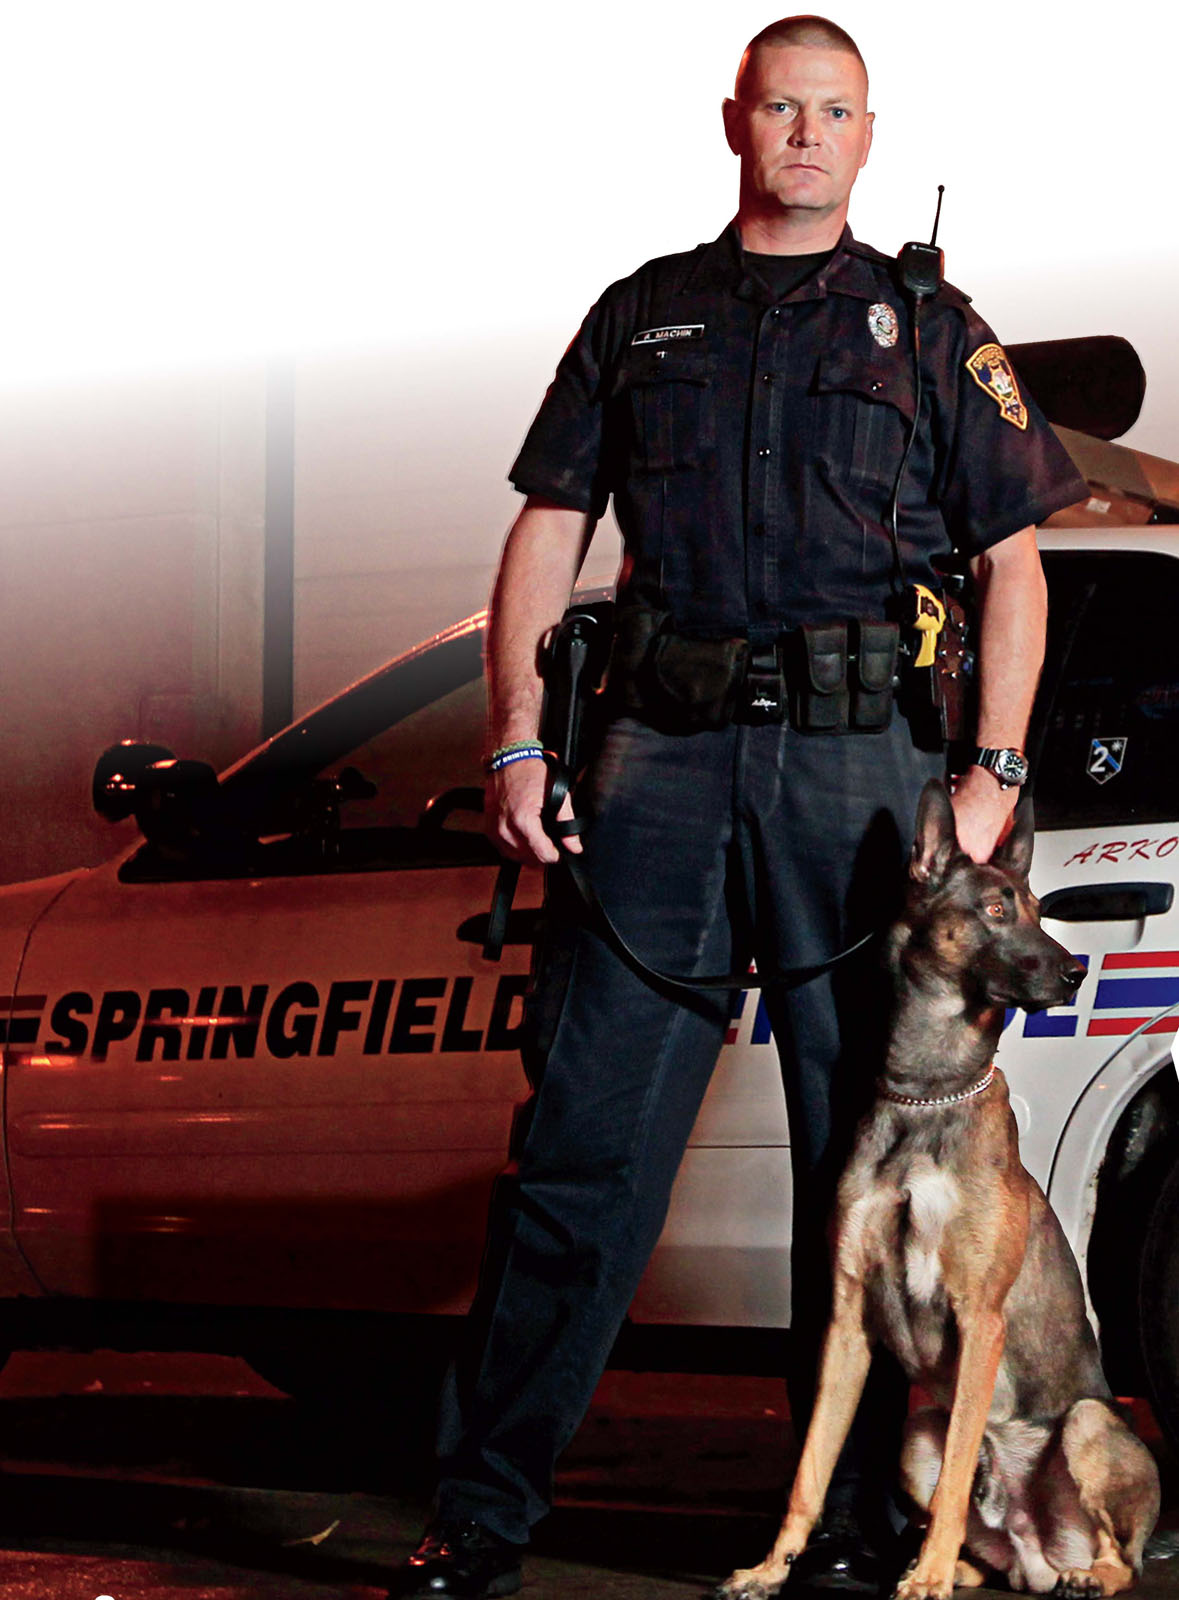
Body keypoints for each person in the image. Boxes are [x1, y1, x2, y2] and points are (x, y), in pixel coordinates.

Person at [394, 17, 1087, 1599]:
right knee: (580, 1152)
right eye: (781, 106)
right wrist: (515, 746)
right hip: (662, 763)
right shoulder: (645, 318)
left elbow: (1014, 562)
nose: (805, 132)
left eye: (833, 110)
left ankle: (841, 1526)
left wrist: (992, 774)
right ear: (735, 122)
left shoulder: (929, 326)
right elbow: (546, 528)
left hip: (866, 788)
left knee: (854, 1165)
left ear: (867, 133)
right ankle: (483, 1513)